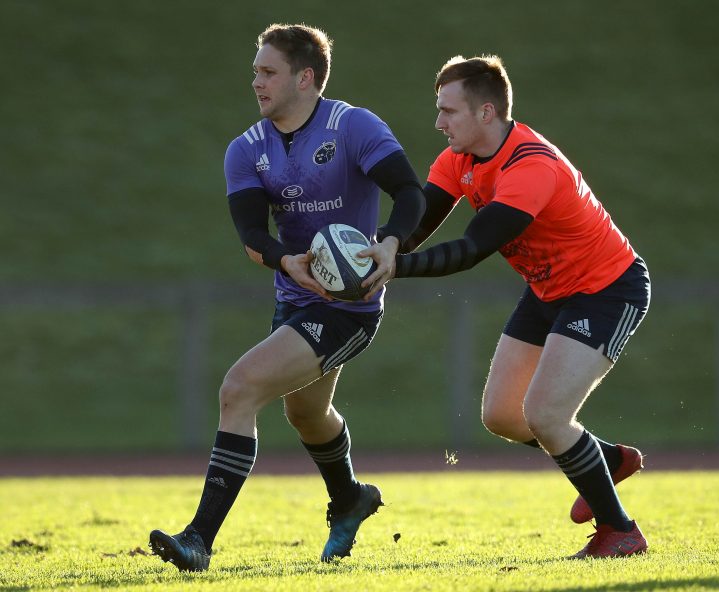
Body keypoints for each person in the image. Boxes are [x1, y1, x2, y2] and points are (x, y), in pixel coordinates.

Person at [149, 24, 425, 571]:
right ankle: (350, 498)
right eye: (256, 71)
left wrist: (393, 243)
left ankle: (199, 540)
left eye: (268, 71)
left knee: (239, 388)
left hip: (351, 305)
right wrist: (285, 261)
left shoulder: (354, 127)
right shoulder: (246, 150)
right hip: (295, 297)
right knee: (307, 414)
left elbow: (409, 192)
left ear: (306, 77)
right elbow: (252, 236)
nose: (256, 81)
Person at [371, 55, 651, 559]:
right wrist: (380, 248)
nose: (438, 122)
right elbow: (419, 221)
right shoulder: (458, 157)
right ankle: (604, 460)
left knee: (545, 414)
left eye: (448, 111)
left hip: (607, 288)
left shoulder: (531, 166)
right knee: (502, 415)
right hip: (548, 289)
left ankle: (622, 532)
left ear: (486, 112)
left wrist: (393, 269)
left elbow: (472, 249)